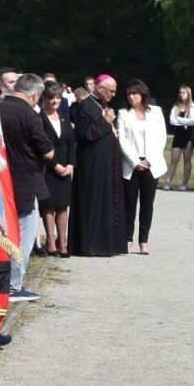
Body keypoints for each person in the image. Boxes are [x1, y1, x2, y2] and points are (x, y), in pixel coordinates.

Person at [0, 74, 59, 278]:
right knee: (23, 235)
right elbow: (47, 151)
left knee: (2, 233)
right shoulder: (29, 116)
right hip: (26, 181)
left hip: (0, 179)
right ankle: (15, 283)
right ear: (35, 95)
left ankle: (1, 282)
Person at [66, 76, 128, 257]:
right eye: (111, 91)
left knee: (107, 201)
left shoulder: (102, 105)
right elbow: (85, 134)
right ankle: (91, 244)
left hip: (106, 163)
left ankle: (108, 243)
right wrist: (105, 122)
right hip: (92, 163)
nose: (114, 94)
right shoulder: (85, 106)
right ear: (100, 88)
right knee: (92, 202)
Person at [116, 80, 167, 253]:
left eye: (134, 94)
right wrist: (136, 162)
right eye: (129, 94)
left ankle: (144, 240)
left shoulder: (156, 112)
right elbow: (122, 140)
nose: (131, 97)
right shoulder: (123, 113)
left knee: (147, 203)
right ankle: (127, 238)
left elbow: (161, 138)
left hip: (152, 164)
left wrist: (149, 160)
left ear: (143, 94)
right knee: (129, 203)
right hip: (131, 165)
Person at [41, 79, 76, 254]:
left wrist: (70, 164)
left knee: (63, 206)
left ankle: (63, 242)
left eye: (58, 98)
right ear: (44, 99)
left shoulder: (64, 119)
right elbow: (39, 146)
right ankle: (50, 241)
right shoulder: (40, 118)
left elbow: (71, 143)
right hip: (48, 168)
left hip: (65, 168)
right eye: (51, 98)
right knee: (49, 206)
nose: (55, 101)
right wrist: (54, 165)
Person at [166, 86, 194, 193]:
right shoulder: (176, 106)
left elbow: (193, 121)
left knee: (187, 159)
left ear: (188, 93)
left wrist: (179, 119)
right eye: (180, 92)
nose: (181, 94)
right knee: (174, 159)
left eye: (184, 92)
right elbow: (172, 121)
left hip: (189, 134)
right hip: (179, 134)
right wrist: (184, 120)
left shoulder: (193, 106)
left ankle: (184, 183)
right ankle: (168, 182)